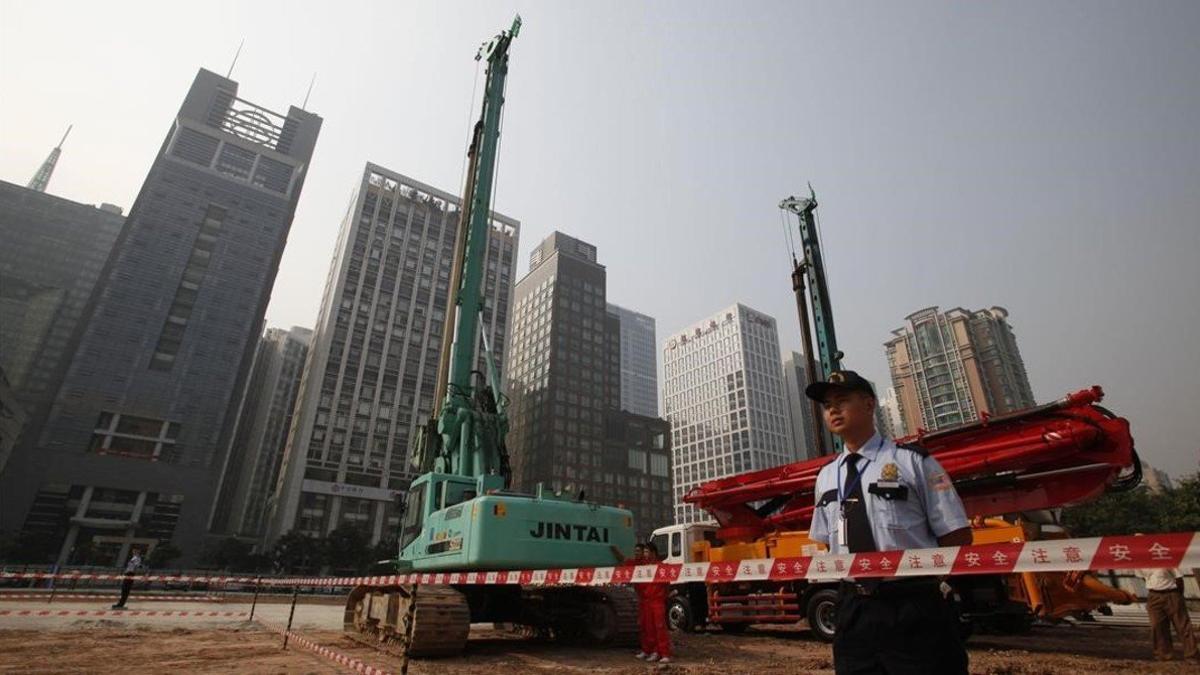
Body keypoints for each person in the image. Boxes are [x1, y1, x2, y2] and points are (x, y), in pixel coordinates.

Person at [806, 370, 972, 675]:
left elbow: (957, 533)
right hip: (853, 610)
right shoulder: (826, 476)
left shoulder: (912, 461)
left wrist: (930, 585)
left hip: (913, 606)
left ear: (869, 405)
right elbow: (828, 543)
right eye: (827, 404)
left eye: (842, 400)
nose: (832, 409)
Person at [1137, 563, 1198, 661]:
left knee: (1182, 625)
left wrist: (1178, 596)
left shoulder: (1166, 560)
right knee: (1157, 626)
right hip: (1154, 595)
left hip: (1172, 593)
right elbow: (1143, 578)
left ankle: (1191, 654)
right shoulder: (1139, 564)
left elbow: (1178, 578)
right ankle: (1164, 654)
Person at [638, 541, 672, 664]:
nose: (645, 554)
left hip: (657, 601)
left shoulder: (661, 567)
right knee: (647, 627)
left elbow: (667, 585)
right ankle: (649, 650)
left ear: (653, 553)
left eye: (647, 552)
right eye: (644, 552)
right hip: (646, 601)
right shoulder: (642, 568)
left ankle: (663, 653)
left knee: (659, 627)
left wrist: (663, 597)